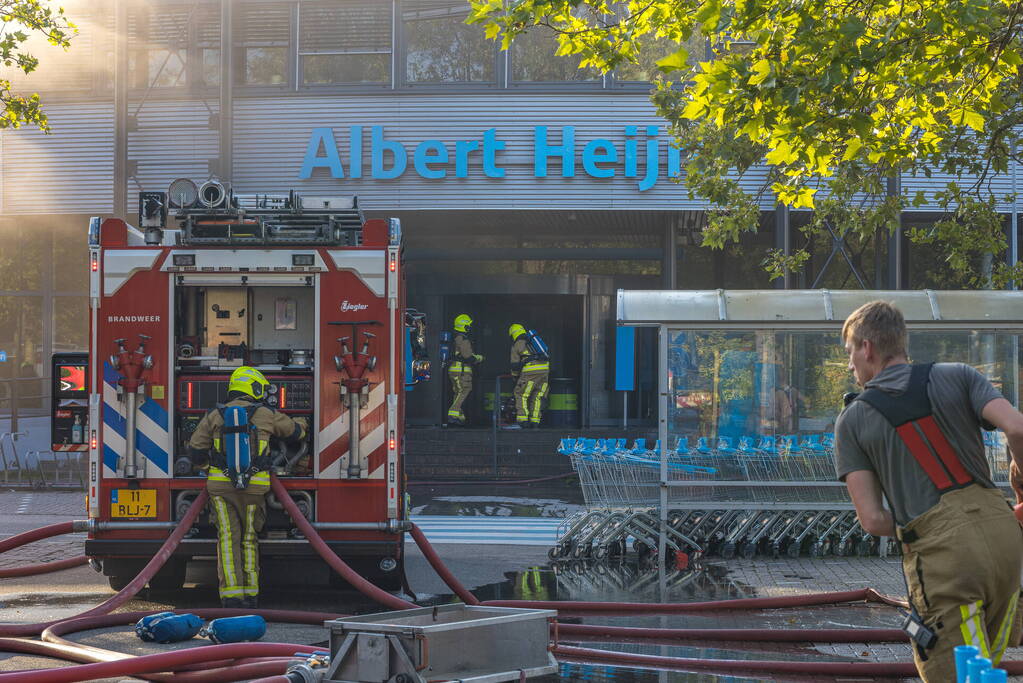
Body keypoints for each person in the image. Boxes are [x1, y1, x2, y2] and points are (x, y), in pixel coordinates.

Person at [834, 300, 1023, 681]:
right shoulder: (959, 375)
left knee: (958, 673)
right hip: (1005, 538)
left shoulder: (852, 419)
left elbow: (872, 520)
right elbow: (1017, 429)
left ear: (867, 347)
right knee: (986, 667)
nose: (850, 364)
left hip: (945, 559)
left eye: (850, 352)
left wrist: (927, 529)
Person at [188, 366, 308, 608]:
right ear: (254, 388)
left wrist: (207, 466)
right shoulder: (266, 413)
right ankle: (251, 594)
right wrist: (302, 422)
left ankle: (231, 596)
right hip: (255, 488)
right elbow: (295, 432)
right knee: (250, 538)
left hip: (220, 489)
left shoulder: (215, 415)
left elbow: (196, 450)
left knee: (227, 538)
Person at [506, 323, 550, 429]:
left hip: (531, 371)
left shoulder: (517, 344)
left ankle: (523, 420)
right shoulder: (533, 341)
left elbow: (515, 366)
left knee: (520, 393)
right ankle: (535, 421)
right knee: (538, 395)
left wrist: (515, 377)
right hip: (544, 370)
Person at [446, 313, 483, 426]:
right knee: (464, 390)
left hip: (455, 370)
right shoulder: (463, 339)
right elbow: (468, 356)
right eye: (468, 325)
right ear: (464, 326)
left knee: (458, 392)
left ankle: (459, 417)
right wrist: (479, 358)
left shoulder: (456, 337)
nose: (470, 327)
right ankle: (453, 414)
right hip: (461, 371)